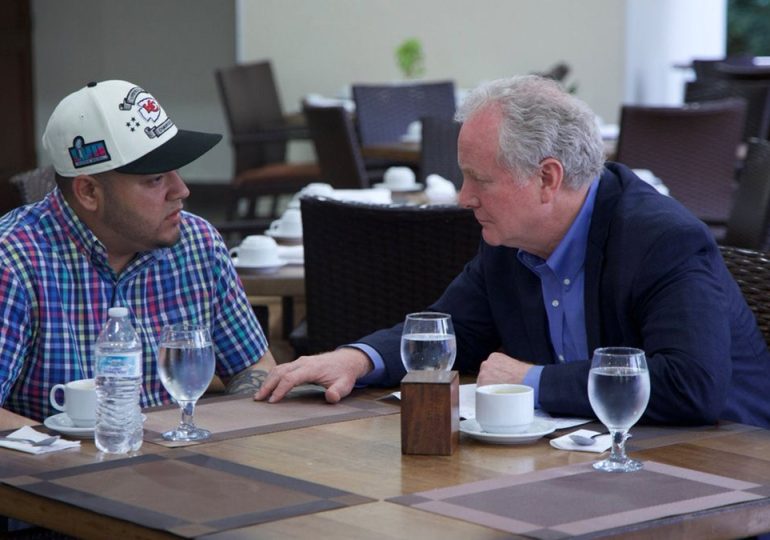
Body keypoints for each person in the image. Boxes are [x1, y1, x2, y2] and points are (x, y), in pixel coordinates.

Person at [257, 75, 770, 428]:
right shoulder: (510, 241)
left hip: (721, 470)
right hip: (590, 465)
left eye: (480, 179)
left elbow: (690, 385)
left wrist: (534, 382)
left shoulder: (660, 240)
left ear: (548, 178)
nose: (463, 198)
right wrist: (355, 358)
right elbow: (448, 330)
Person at [0, 80, 275, 427]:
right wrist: (64, 454)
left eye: (177, 170)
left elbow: (254, 366)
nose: (182, 190)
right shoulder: (13, 261)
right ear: (88, 192)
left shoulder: (198, 243)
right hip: (57, 475)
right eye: (156, 178)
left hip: (183, 469)